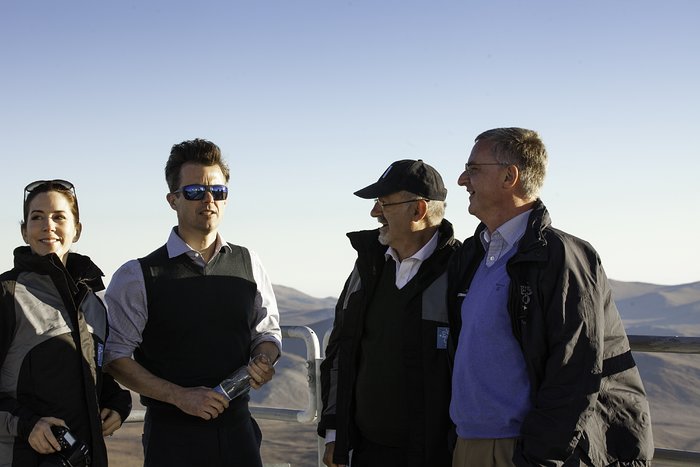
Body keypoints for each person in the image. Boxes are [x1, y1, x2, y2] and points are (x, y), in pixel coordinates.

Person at [448, 128, 654, 466]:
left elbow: (574, 371)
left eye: (473, 169)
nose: (461, 180)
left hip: (521, 450)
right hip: (470, 443)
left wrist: (539, 458)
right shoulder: (474, 254)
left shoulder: (561, 257)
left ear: (509, 176)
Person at [103, 138, 282, 467]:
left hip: (239, 434)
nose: (209, 200)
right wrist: (179, 396)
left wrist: (263, 359)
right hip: (172, 440)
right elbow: (115, 357)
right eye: (195, 191)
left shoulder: (249, 263)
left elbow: (267, 331)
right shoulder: (136, 276)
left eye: (219, 191)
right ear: (173, 199)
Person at [318, 159, 460, 467]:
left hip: (437, 455)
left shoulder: (461, 272)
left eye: (383, 203)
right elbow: (342, 350)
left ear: (418, 210)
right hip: (368, 452)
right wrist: (335, 434)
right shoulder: (368, 267)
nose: (374, 213)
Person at [0, 179, 132, 467]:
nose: (48, 225)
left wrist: (117, 403)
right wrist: (26, 425)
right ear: (24, 231)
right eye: (37, 217)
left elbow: (90, 374)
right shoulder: (7, 294)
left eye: (59, 216)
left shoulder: (93, 301)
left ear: (77, 230)